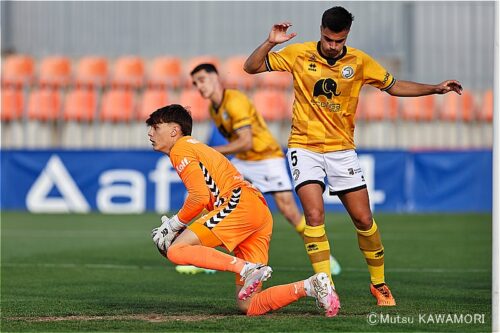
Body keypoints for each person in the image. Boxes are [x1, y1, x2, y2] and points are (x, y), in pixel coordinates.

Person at [243, 6, 463, 308]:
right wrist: (270, 42)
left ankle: (379, 283)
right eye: (328, 39)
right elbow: (251, 67)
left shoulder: (358, 61)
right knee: (315, 216)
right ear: (321, 30)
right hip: (303, 147)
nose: (333, 46)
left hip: (341, 150)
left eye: (339, 41)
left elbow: (394, 85)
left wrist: (435, 89)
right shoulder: (298, 54)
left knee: (363, 219)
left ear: (347, 36)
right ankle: (325, 287)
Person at [147, 104, 340, 317]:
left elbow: (199, 197)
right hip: (256, 211)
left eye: (155, 127)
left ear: (174, 130)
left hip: (239, 205)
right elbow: (208, 199)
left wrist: (174, 224)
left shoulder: (180, 148)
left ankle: (246, 268)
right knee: (249, 305)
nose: (150, 133)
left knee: (176, 250)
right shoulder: (195, 147)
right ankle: (311, 286)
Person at [181, 63, 341, 276]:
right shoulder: (214, 109)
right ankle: (203, 257)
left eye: (202, 80)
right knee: (212, 197)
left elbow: (246, 141)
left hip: (266, 158)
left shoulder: (235, 102)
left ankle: (326, 258)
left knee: (289, 211)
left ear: (216, 78)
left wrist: (211, 152)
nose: (199, 86)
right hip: (244, 161)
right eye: (195, 83)